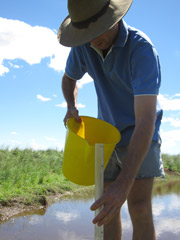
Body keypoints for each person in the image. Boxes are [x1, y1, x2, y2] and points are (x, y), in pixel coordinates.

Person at [58, 0, 165, 239]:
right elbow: (68, 79)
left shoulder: (142, 50)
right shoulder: (84, 45)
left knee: (138, 208)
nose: (92, 39)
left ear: (114, 19)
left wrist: (124, 184)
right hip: (105, 137)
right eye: (86, 34)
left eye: (97, 31)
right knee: (108, 208)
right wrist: (71, 105)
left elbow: (145, 120)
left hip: (141, 133)